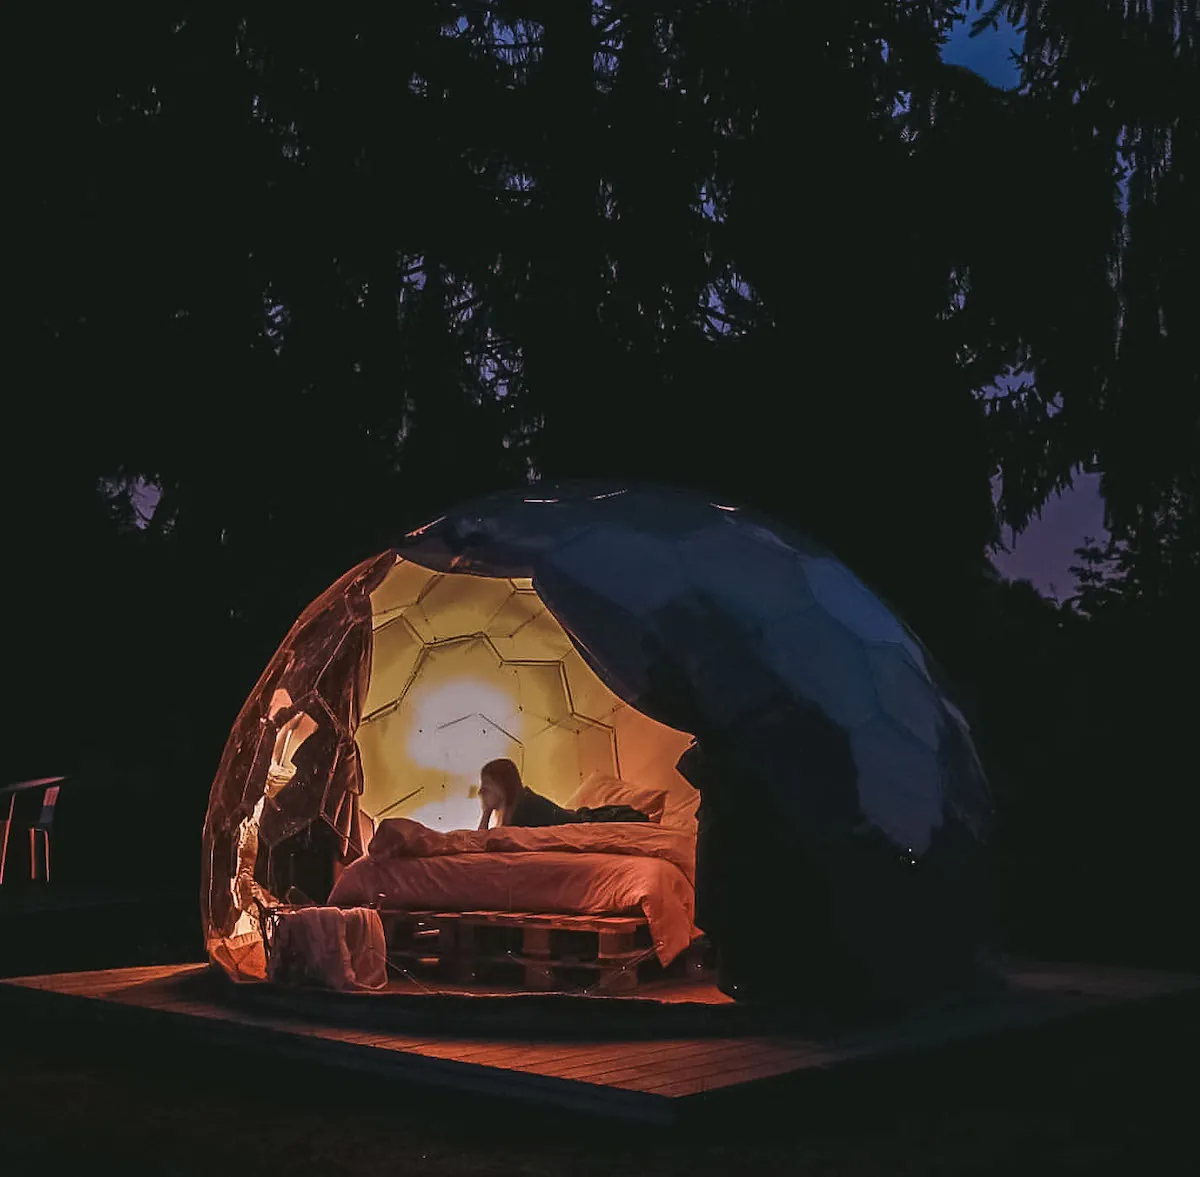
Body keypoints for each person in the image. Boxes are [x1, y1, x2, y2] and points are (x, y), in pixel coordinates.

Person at [476, 758, 650, 830]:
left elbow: (484, 846)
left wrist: (486, 812)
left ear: (502, 787)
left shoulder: (524, 808)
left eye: (487, 787)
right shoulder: (515, 809)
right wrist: (487, 811)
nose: (480, 792)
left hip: (591, 822)